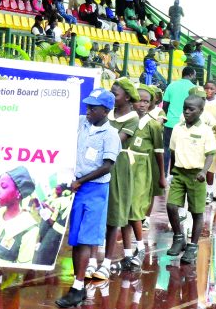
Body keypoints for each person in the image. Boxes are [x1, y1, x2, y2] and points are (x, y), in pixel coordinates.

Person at [55, 88, 120, 308]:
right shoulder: (82, 122)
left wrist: (81, 181)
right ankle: (79, 286)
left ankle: (77, 286)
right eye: (88, 105)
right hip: (78, 187)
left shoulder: (110, 135)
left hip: (95, 190)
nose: (88, 110)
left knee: (84, 238)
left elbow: (107, 166)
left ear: (106, 110)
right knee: (75, 239)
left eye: (94, 107)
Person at [89, 78, 139, 280]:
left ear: (127, 97)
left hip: (118, 167)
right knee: (97, 211)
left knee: (114, 214)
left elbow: (115, 142)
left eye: (115, 93)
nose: (112, 96)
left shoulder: (133, 118)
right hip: (99, 164)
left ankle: (107, 262)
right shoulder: (106, 113)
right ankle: (92, 260)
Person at [166, 95, 216, 264]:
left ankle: (192, 246)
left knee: (196, 212)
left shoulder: (205, 131)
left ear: (201, 111)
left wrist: (204, 171)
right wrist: (171, 172)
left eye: (191, 109)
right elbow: (173, 151)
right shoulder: (177, 128)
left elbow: (210, 154)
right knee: (171, 206)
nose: (187, 111)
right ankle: (178, 237)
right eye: (185, 108)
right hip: (180, 173)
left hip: (197, 175)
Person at [128, 85, 166, 265]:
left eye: (146, 101)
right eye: (138, 100)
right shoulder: (127, 120)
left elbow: (159, 151)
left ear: (151, 103)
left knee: (136, 206)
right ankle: (128, 251)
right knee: (124, 208)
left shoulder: (153, 124)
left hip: (143, 167)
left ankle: (140, 246)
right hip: (126, 167)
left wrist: (162, 175)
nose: (142, 104)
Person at [162, 67, 196, 174]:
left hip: (170, 123)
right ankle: (175, 174)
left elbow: (165, 106)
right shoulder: (194, 88)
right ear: (190, 75)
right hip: (186, 123)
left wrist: (165, 119)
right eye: (194, 75)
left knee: (167, 148)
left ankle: (164, 174)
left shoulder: (171, 85)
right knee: (182, 149)